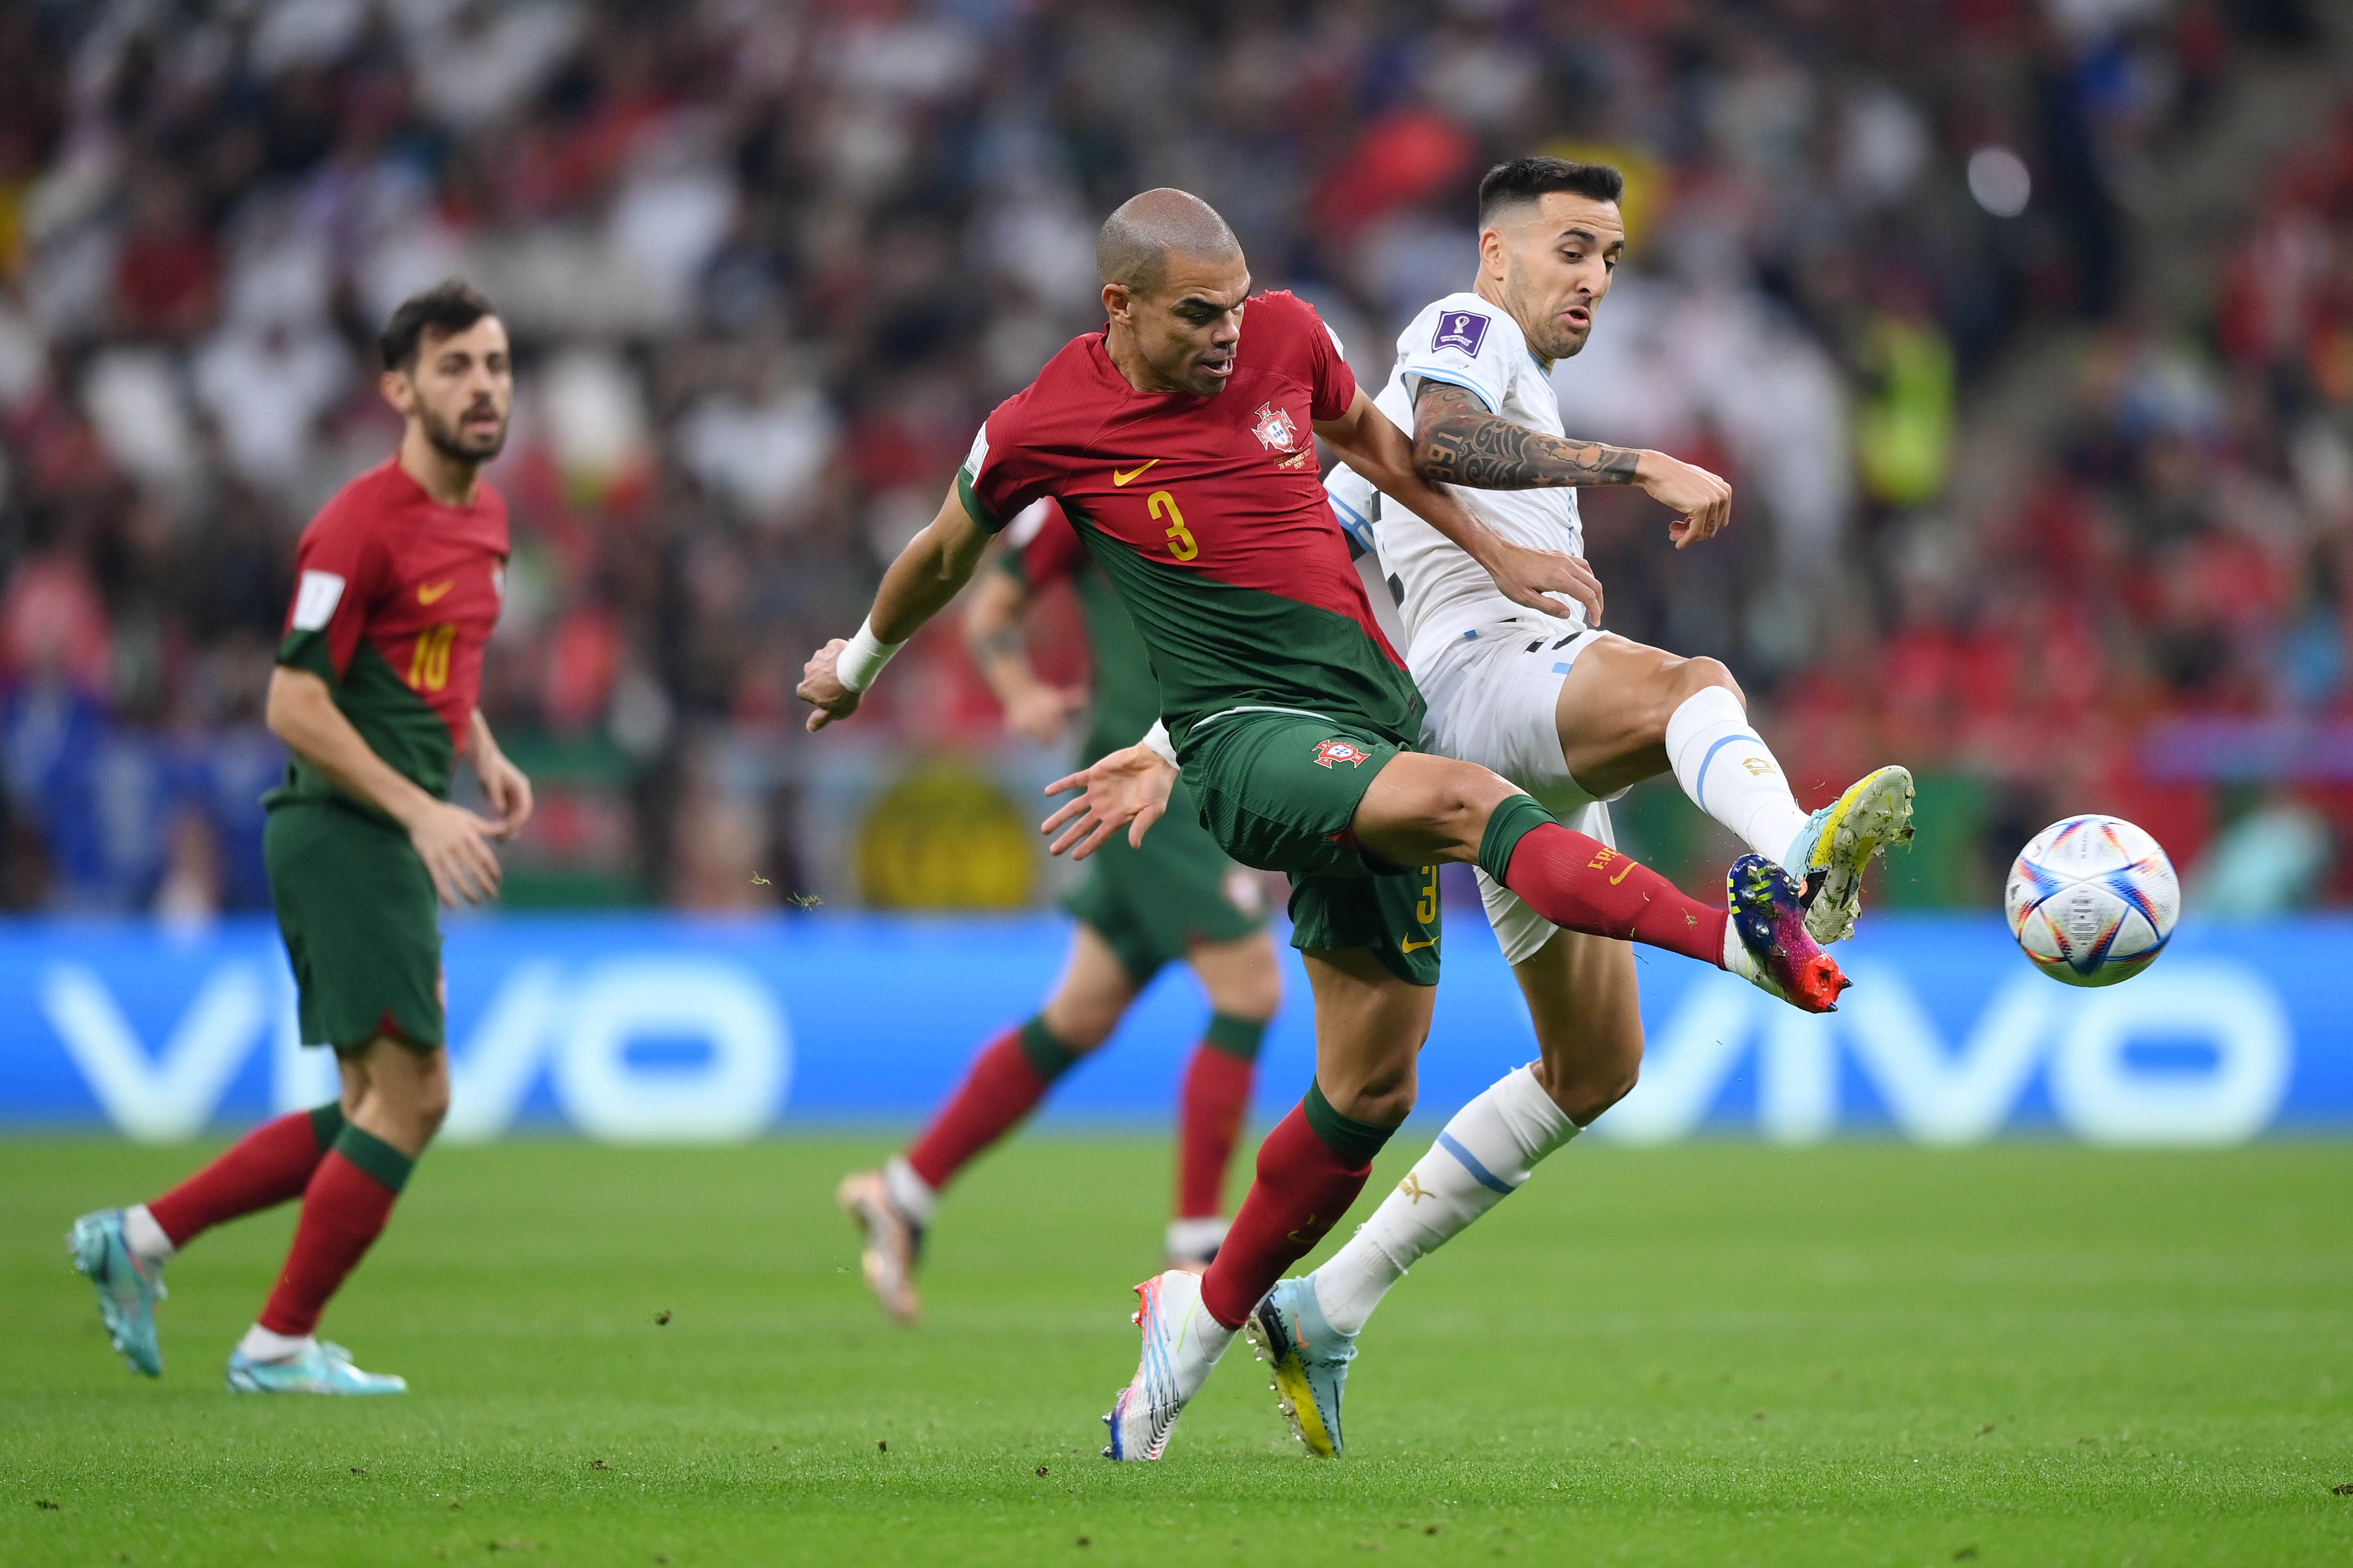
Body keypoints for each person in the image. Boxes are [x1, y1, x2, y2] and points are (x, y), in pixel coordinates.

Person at [797, 188, 1846, 1464]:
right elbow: (946, 554)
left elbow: (1384, 452)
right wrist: (854, 666)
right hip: (1248, 743)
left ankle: (1200, 1313)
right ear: (1117, 307)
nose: (1229, 336)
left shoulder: (1288, 339)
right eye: (1198, 316)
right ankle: (1743, 936)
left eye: (1237, 306)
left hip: (1373, 716)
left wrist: (1494, 555)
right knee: (1474, 805)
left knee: (1366, 1091)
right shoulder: (1043, 422)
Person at [1221, 156, 1920, 1457]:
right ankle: (1794, 861)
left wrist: (1170, 733)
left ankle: (1327, 1304)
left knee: (1596, 1067)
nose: (1593, 277)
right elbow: (1444, 434)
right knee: (1689, 685)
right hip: (1486, 682)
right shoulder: (1460, 328)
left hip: (1489, 730)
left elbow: (1322, 540)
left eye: (1609, 257)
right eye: (1570, 249)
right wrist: (1636, 461)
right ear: (1497, 256)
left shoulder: (1408, 408)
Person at [68, 279, 529, 1395]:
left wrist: (481, 747)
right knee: (417, 1098)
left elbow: (430, 656)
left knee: (379, 1103)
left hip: (389, 827)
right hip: (346, 829)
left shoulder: (488, 517)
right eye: (456, 366)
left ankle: (140, 1238)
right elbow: (293, 699)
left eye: (497, 365)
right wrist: (420, 809)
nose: (482, 387)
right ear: (399, 387)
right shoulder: (359, 520)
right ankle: (275, 1341)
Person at [836, 495, 1285, 1321]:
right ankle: (1193, 1248)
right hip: (1148, 777)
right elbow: (990, 608)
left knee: (1080, 1014)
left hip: (1199, 762)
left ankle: (905, 1192)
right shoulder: (1084, 486)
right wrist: (1020, 691)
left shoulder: (1231, 453)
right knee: (1251, 989)